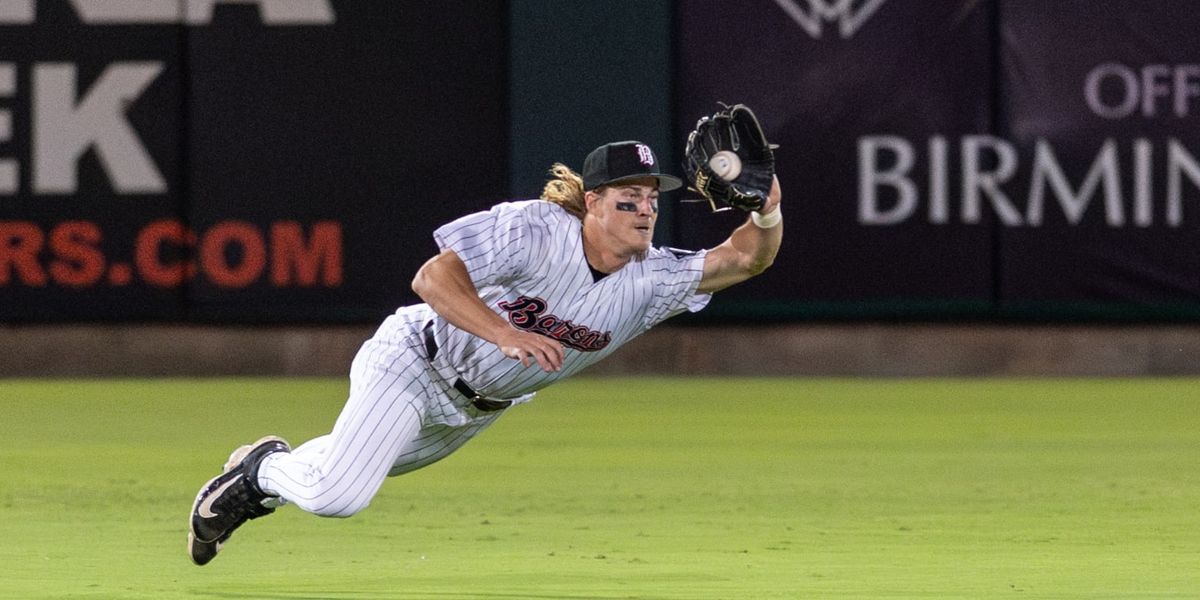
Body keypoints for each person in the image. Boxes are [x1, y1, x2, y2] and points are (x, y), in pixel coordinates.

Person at [186, 140, 783, 565]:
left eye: (653, 199)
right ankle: (262, 465)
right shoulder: (535, 229)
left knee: (342, 467)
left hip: (472, 413)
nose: (646, 209)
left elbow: (746, 258)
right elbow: (431, 279)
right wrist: (505, 333)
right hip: (414, 361)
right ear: (594, 201)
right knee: (340, 496)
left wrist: (768, 205)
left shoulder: (652, 280)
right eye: (631, 196)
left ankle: (248, 486)